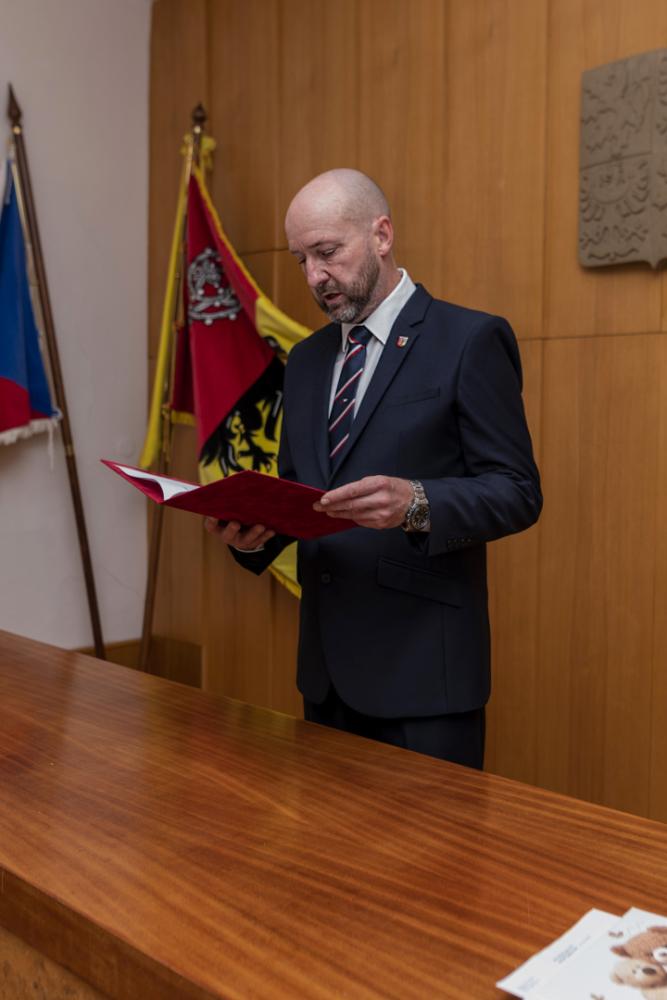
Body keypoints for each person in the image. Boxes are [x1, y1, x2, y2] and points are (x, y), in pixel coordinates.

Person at [206, 168, 541, 770]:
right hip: (326, 677)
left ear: (381, 235)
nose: (314, 276)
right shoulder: (306, 361)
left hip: (424, 681)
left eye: (327, 252)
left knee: (430, 839)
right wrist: (252, 535)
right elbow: (301, 495)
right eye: (301, 259)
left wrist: (416, 502)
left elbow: (517, 491)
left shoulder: (469, 339)